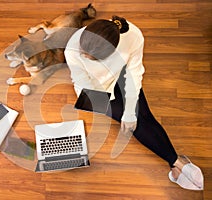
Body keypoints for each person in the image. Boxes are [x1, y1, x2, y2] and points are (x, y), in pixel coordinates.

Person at [64, 16, 204, 190]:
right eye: (83, 53)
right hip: (95, 92)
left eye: (90, 58)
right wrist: (120, 109)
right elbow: (87, 87)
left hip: (122, 77)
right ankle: (178, 163)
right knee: (135, 124)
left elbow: (134, 74)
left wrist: (129, 112)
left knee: (141, 116)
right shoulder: (72, 50)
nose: (83, 56)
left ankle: (176, 163)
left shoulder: (133, 36)